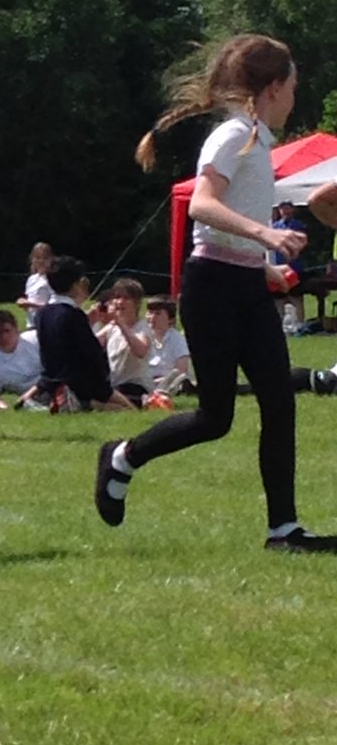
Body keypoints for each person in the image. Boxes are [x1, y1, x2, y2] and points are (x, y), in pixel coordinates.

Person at [94, 34, 331, 553]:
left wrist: (261, 264)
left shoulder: (259, 141)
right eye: (292, 85)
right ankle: (121, 457)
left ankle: (284, 530)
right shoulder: (235, 135)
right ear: (273, 87)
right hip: (213, 289)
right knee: (215, 418)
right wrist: (266, 236)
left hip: (244, 283)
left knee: (278, 403)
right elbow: (201, 205)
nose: (295, 96)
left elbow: (226, 223)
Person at [36, 256, 135, 411]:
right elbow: (91, 352)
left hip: (52, 380)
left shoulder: (42, 314)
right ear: (76, 285)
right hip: (81, 382)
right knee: (128, 409)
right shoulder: (73, 315)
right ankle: (83, 404)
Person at [96, 278, 153, 407]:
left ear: (137, 303)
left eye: (126, 298)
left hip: (136, 386)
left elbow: (140, 351)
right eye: (117, 297)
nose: (120, 302)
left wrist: (120, 323)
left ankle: (129, 407)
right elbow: (89, 345)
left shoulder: (142, 328)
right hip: (115, 385)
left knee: (98, 402)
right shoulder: (111, 328)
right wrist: (93, 319)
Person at [0, 309, 42, 410]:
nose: (3, 337)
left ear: (16, 330)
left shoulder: (35, 339)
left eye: (7, 331)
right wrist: (1, 406)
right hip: (32, 399)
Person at [145, 296, 191, 393]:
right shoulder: (143, 337)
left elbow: (181, 369)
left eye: (158, 314)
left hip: (169, 379)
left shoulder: (177, 340)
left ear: (170, 319)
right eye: (150, 312)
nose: (152, 317)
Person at [270, 199, 306, 323]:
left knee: (296, 297)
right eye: (283, 208)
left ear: (293, 210)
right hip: (278, 268)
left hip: (294, 267)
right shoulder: (274, 227)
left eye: (288, 208)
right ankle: (279, 325)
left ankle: (300, 324)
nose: (285, 211)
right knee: (279, 299)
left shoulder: (298, 225)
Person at [17, 241, 53, 327]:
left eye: (44, 258)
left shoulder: (52, 279)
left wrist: (30, 304)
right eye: (37, 257)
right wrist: (23, 303)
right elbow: (30, 302)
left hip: (46, 324)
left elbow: (54, 306)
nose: (41, 261)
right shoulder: (31, 279)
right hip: (31, 323)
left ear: (50, 259)